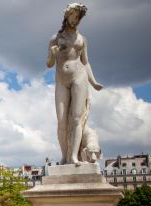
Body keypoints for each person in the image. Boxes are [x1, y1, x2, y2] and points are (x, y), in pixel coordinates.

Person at [47, 3, 103, 165]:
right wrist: (52, 54)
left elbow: (85, 62)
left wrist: (94, 82)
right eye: (75, 16)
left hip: (79, 77)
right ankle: (64, 156)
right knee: (61, 121)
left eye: (79, 18)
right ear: (68, 15)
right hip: (61, 80)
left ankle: (73, 157)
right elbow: (49, 64)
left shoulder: (82, 39)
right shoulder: (55, 38)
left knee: (77, 119)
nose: (77, 20)